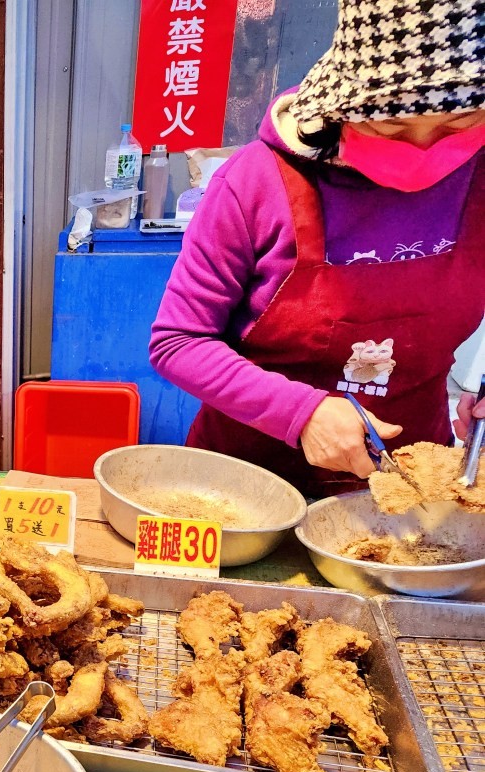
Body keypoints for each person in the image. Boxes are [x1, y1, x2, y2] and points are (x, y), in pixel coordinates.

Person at [149, 0, 484, 497]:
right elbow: (178, 342)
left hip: (412, 488)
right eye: (392, 127)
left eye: (457, 124)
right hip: (246, 484)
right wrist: (301, 413)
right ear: (341, 108)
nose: (425, 151)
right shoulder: (257, 182)